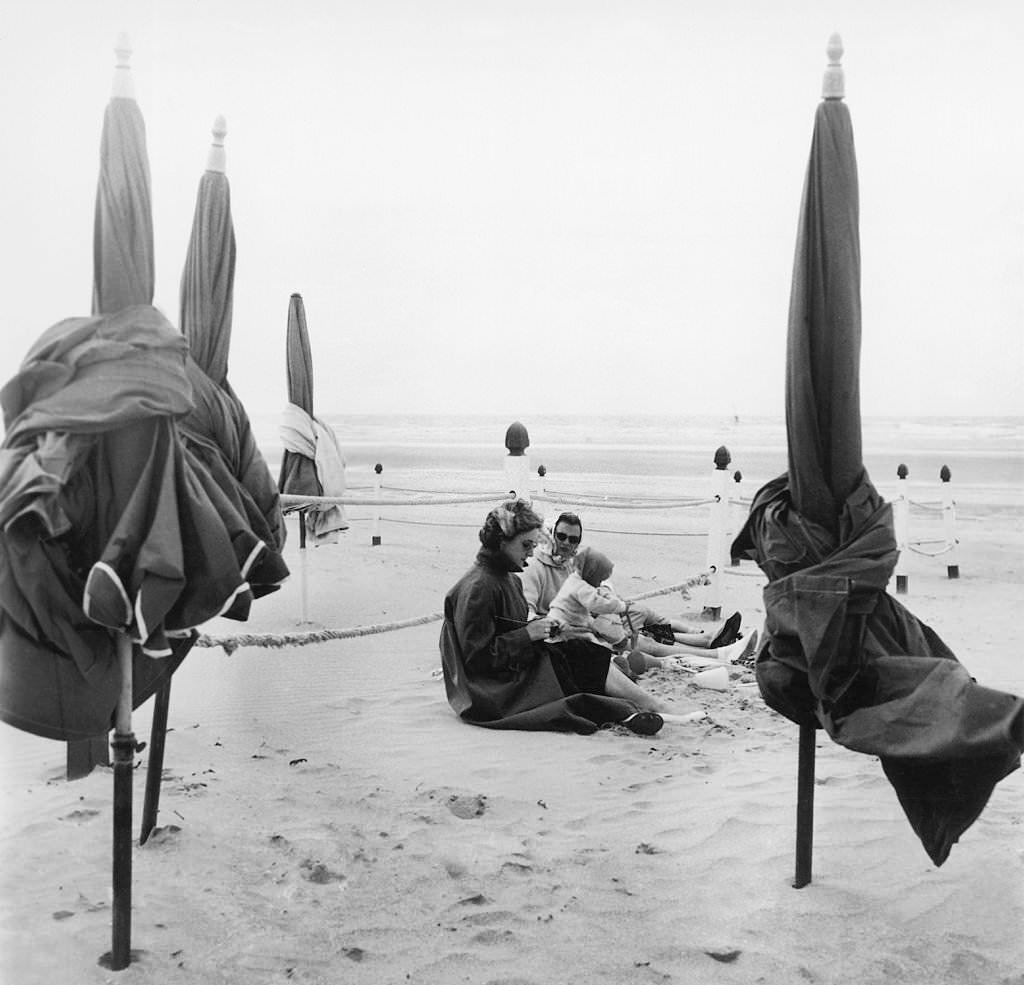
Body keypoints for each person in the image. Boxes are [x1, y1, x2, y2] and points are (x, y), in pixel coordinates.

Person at [439, 499, 704, 736]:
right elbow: (477, 660)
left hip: (513, 669)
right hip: (493, 691)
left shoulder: (505, 578)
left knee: (581, 652)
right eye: (526, 545)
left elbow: (509, 630)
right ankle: (644, 709)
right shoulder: (480, 587)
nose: (530, 552)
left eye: (533, 545)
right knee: (579, 659)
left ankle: (639, 709)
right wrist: (529, 633)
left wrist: (542, 629)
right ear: (502, 541)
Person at [519, 511, 756, 662]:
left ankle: (705, 639)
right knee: (643, 641)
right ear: (553, 535)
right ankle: (716, 654)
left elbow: (602, 586)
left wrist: (610, 598)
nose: (566, 544)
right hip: (571, 632)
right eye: (561, 537)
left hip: (594, 619)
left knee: (644, 615)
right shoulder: (534, 568)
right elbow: (527, 616)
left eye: (573, 540)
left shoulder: (576, 562)